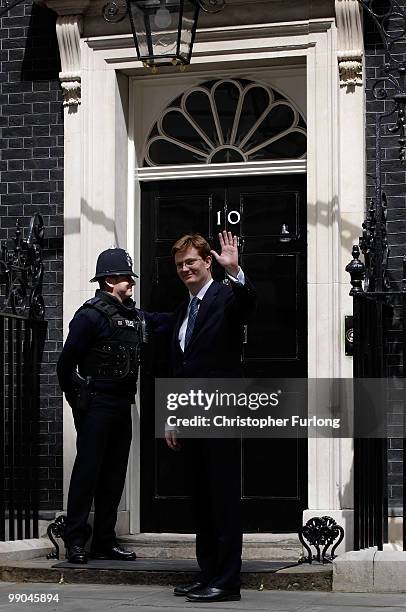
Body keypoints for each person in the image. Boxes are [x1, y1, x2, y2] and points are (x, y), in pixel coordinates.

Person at [165, 231, 256, 603]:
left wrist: (235, 272)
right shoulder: (185, 309)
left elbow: (248, 305)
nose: (186, 268)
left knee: (222, 497)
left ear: (207, 262)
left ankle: (228, 581)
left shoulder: (224, 296)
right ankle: (208, 574)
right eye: (180, 264)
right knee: (201, 499)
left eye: (192, 261)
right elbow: (181, 366)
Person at [57, 248, 144, 564]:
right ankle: (75, 540)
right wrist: (80, 404)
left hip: (122, 406)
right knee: (88, 473)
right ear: (110, 280)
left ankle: (105, 541)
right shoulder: (89, 316)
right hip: (97, 405)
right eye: (126, 279)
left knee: (114, 475)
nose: (130, 285)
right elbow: (65, 366)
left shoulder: (133, 317)